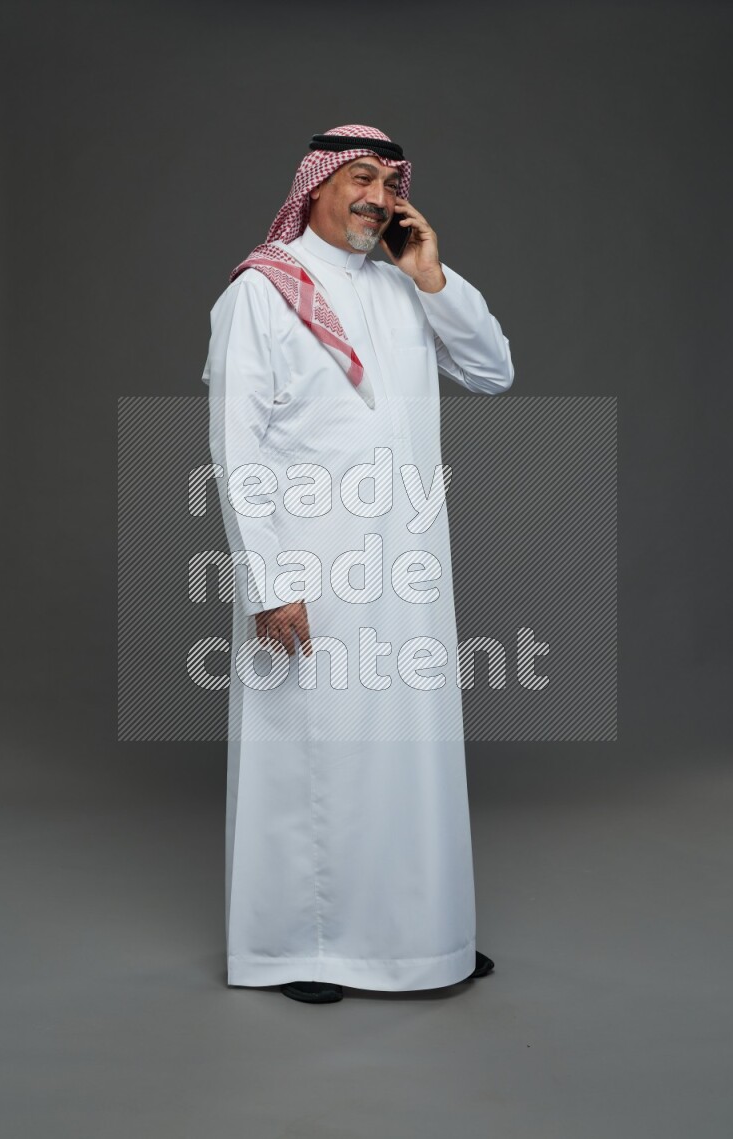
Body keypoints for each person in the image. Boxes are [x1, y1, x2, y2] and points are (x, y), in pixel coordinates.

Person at [201, 124, 514, 1004]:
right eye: (360, 178)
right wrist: (269, 584)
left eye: (388, 181)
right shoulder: (263, 292)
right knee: (315, 758)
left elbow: (493, 372)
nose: (376, 196)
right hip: (312, 572)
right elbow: (238, 449)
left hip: (408, 570)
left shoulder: (404, 285)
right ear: (317, 186)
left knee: (410, 755)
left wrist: (431, 275)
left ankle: (422, 938)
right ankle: (300, 947)